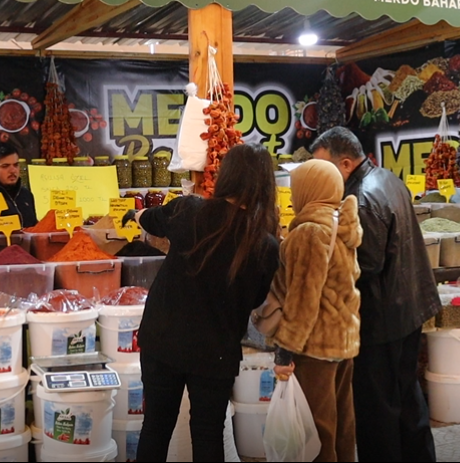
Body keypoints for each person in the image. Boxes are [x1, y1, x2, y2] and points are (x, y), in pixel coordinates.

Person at [125, 143, 280, 462]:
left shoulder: (188, 209)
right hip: (216, 353)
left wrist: (135, 213)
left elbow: (149, 219)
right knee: (208, 434)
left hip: (162, 340)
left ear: (226, 176)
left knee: (155, 427)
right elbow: (256, 301)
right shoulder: (265, 243)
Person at [311, 127, 441, 462]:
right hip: (409, 307)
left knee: (376, 409)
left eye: (323, 167)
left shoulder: (362, 198)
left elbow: (365, 265)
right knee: (407, 398)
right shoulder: (386, 177)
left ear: (345, 163)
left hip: (381, 318)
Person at [271, 160, 363, 463]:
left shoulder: (310, 231)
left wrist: (285, 351)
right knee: (342, 429)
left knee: (317, 434)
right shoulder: (340, 225)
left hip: (315, 348)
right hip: (343, 342)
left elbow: (303, 300)